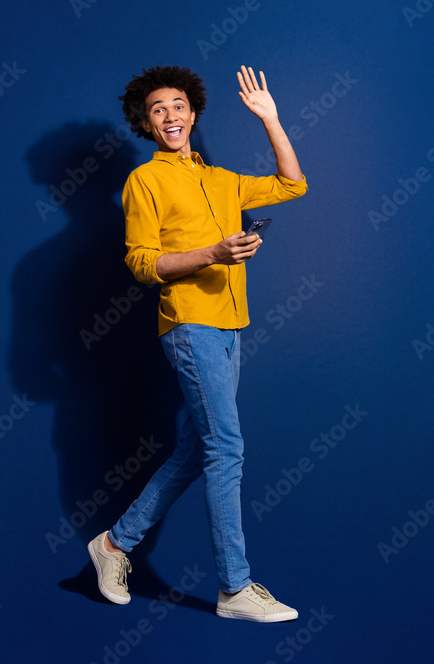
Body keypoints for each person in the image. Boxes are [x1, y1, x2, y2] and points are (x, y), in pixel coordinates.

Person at [87, 64, 307, 622]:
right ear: (146, 122)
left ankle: (113, 544)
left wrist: (270, 118)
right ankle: (235, 588)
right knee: (226, 447)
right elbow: (142, 264)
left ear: (193, 114)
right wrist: (214, 253)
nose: (170, 115)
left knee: (196, 449)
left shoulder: (222, 180)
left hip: (231, 325)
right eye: (158, 109)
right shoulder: (145, 181)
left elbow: (292, 184)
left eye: (179, 106)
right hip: (189, 324)